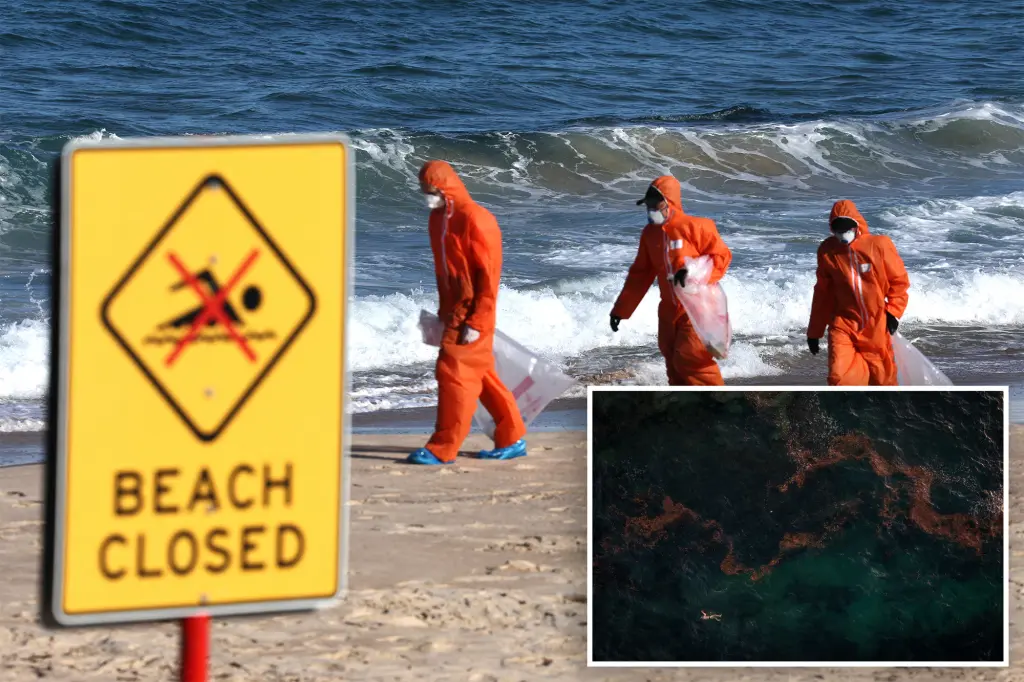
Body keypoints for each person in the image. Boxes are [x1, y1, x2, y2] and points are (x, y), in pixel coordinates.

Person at [407, 160, 528, 465]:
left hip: (474, 313)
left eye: (431, 190)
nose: (427, 196)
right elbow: (445, 272)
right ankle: (512, 437)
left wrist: (478, 318)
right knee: (482, 375)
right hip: (453, 312)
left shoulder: (475, 219)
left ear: (445, 188)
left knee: (453, 374)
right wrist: (442, 313)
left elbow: (489, 274)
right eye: (424, 190)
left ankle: (442, 447)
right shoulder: (438, 220)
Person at [609, 175, 732, 385]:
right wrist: (620, 310)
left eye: (654, 205)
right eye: (647, 206)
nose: (650, 211)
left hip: (696, 309)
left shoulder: (697, 226)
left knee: (691, 359)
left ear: (669, 202)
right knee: (672, 363)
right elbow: (640, 275)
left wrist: (690, 272)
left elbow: (721, 257)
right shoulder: (650, 235)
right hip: (668, 311)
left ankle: (720, 402)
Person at [806, 199, 910, 385]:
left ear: (856, 225)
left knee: (883, 381)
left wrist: (893, 312)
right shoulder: (827, 251)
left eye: (847, 228)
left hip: (876, 323)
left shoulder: (879, 245)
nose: (843, 234)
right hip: (843, 324)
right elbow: (823, 294)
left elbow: (899, 282)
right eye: (838, 229)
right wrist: (815, 332)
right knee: (839, 377)